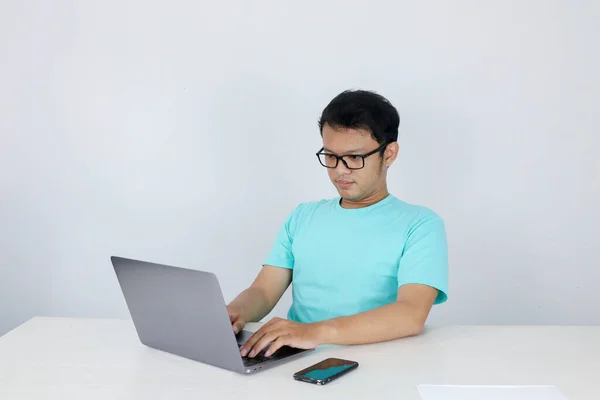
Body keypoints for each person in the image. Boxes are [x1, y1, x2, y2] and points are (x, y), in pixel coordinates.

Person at [229, 89, 449, 358]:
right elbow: (263, 291)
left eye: (355, 158)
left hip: (382, 362)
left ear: (389, 154)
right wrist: (234, 313)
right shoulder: (302, 216)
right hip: (294, 359)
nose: (339, 170)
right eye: (331, 156)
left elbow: (411, 313)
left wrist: (315, 332)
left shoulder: (421, 225)